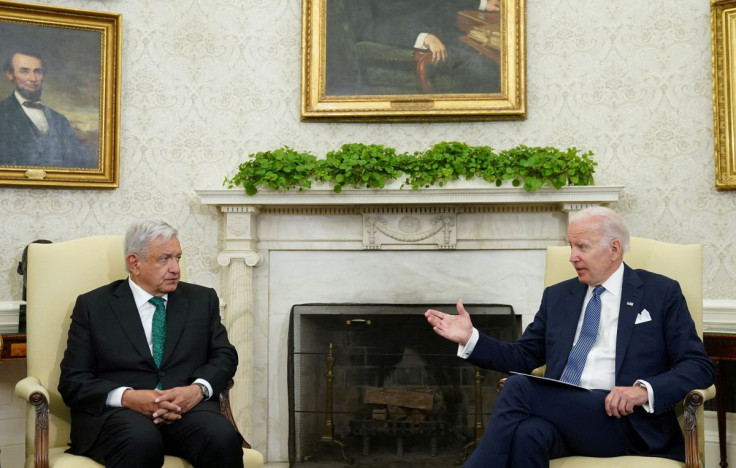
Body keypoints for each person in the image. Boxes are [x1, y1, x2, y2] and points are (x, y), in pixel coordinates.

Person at [425, 207, 714, 467]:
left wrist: (642, 391)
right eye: (571, 246)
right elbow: (524, 357)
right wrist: (470, 338)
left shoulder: (660, 292)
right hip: (567, 419)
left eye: (582, 247)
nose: (572, 256)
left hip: (625, 422)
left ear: (614, 249)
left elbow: (698, 366)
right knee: (529, 434)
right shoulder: (559, 296)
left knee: (518, 388)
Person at [58, 219, 244, 468]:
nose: (176, 268)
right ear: (134, 263)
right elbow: (73, 381)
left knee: (222, 437)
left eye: (178, 257)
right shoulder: (94, 307)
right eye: (164, 259)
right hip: (121, 416)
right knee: (140, 441)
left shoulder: (202, 299)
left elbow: (224, 355)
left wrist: (196, 390)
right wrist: (128, 397)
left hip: (186, 410)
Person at [350, 0, 501, 94]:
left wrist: (482, 3)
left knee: (495, 57)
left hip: (445, 34)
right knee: (482, 67)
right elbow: (365, 25)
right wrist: (423, 37)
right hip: (409, 44)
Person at [0, 48, 93, 168]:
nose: (33, 79)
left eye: (37, 72)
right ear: (10, 75)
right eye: (24, 71)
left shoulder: (60, 120)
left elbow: (78, 163)